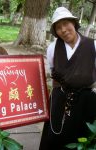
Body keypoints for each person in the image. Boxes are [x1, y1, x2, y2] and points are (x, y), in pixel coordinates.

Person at [39, 7, 96, 150]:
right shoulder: (52, 48)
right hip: (61, 98)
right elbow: (53, 71)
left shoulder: (92, 45)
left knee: (83, 138)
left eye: (66, 24)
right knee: (56, 136)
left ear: (74, 24)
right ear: (56, 32)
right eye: (58, 27)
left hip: (86, 100)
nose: (63, 29)